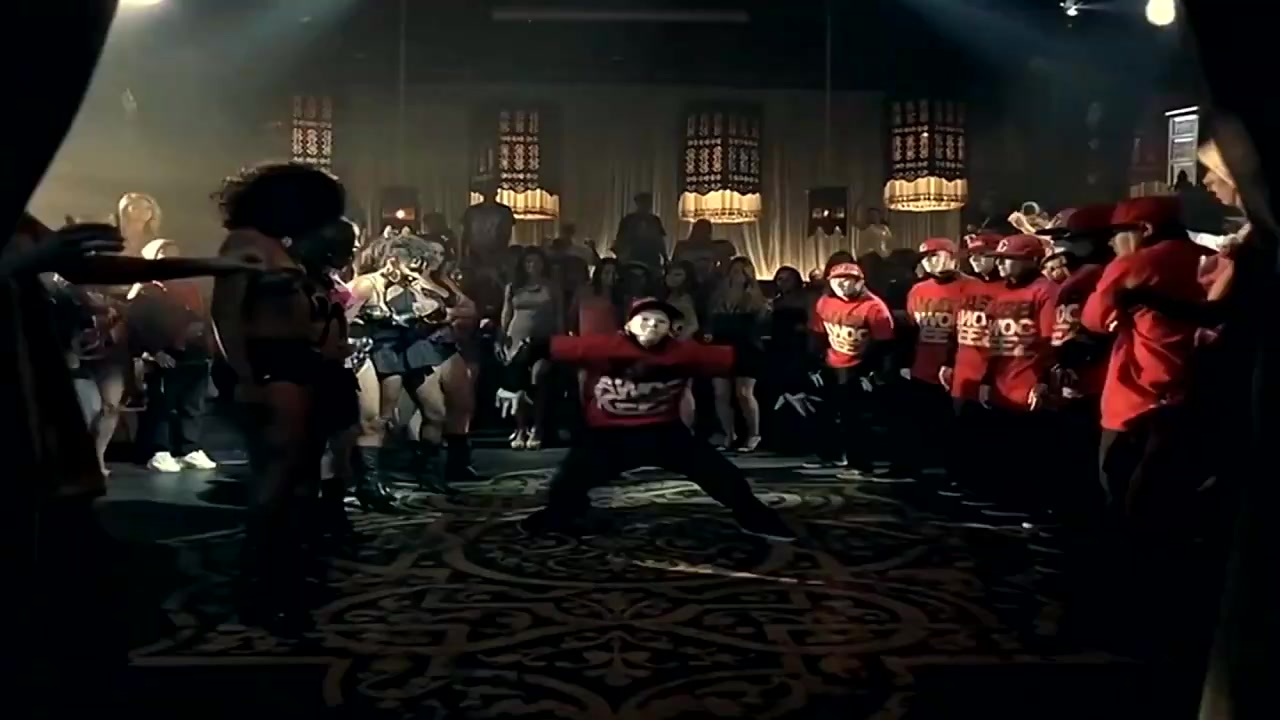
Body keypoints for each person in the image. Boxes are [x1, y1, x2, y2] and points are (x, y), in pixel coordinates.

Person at [500, 297, 795, 542]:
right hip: (608, 435)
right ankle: (564, 512)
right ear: (628, 325)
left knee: (721, 474)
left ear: (671, 330)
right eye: (645, 319)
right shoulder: (601, 346)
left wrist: (793, 385)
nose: (652, 325)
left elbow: (746, 359)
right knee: (567, 484)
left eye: (660, 322)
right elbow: (537, 346)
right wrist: (513, 384)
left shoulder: (685, 353)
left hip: (663, 432)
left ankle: (754, 516)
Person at [209, 162, 357, 629]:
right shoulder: (246, 243)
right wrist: (245, 377)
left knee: (299, 475)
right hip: (270, 366)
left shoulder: (278, 244)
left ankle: (287, 574)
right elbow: (225, 315)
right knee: (275, 477)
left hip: (298, 363)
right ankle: (260, 584)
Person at [1081, 196, 1208, 541]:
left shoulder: (1134, 264)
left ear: (1144, 229)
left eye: (1117, 233)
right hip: (1197, 396)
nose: (1111, 242)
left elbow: (1093, 319)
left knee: (1121, 493)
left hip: (1134, 398)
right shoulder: (1211, 260)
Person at [129, 239, 218, 473]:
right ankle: (160, 450)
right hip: (166, 357)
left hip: (195, 355)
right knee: (162, 406)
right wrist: (155, 351)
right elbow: (138, 323)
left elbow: (205, 316)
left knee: (193, 405)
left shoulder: (191, 289)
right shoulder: (147, 291)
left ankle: (189, 448)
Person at [803, 261, 895, 477]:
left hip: (859, 365)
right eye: (837, 281)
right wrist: (814, 364)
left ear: (860, 282)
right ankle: (831, 455)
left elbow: (885, 344)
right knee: (825, 411)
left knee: (855, 417)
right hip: (831, 363)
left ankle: (861, 464)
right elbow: (817, 335)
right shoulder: (824, 302)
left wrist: (874, 373)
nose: (843, 285)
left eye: (848, 281)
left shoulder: (874, 307)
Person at [896, 238, 967, 475]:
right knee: (917, 422)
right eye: (925, 258)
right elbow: (911, 329)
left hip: (960, 370)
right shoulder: (918, 290)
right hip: (922, 367)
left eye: (935, 255)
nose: (929, 261)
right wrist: (906, 362)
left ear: (952, 256)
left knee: (956, 428)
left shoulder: (973, 287)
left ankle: (956, 474)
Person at [499, 247, 562, 449]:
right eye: (528, 262)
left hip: (544, 339)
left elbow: (559, 315)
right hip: (516, 339)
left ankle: (538, 427)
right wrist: (502, 336)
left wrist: (561, 339)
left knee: (539, 378)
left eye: (536, 261)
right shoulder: (513, 286)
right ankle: (520, 428)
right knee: (519, 386)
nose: (532, 265)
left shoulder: (552, 287)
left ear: (543, 264)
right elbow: (506, 313)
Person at [707, 257, 768, 452]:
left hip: (746, 348)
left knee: (743, 393)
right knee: (720, 393)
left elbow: (760, 323)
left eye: (741, 271)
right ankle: (728, 434)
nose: (736, 275)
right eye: (733, 270)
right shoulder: (718, 296)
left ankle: (754, 434)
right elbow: (711, 322)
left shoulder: (755, 298)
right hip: (721, 347)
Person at [614, 192, 667, 271]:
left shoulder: (655, 220)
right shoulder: (628, 220)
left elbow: (660, 240)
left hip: (652, 259)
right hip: (632, 259)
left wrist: (665, 257)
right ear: (638, 203)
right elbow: (620, 240)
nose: (646, 205)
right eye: (643, 202)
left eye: (648, 203)